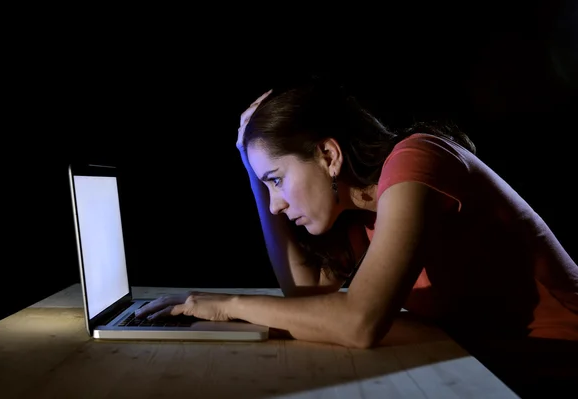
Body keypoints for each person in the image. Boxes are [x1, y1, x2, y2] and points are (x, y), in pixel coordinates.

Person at [136, 78, 577, 394]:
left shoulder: (416, 161)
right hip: (491, 365)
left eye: (276, 180)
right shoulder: (358, 210)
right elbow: (305, 296)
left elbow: (359, 323)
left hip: (553, 364)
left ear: (328, 155)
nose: (274, 206)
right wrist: (252, 168)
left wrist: (225, 306)